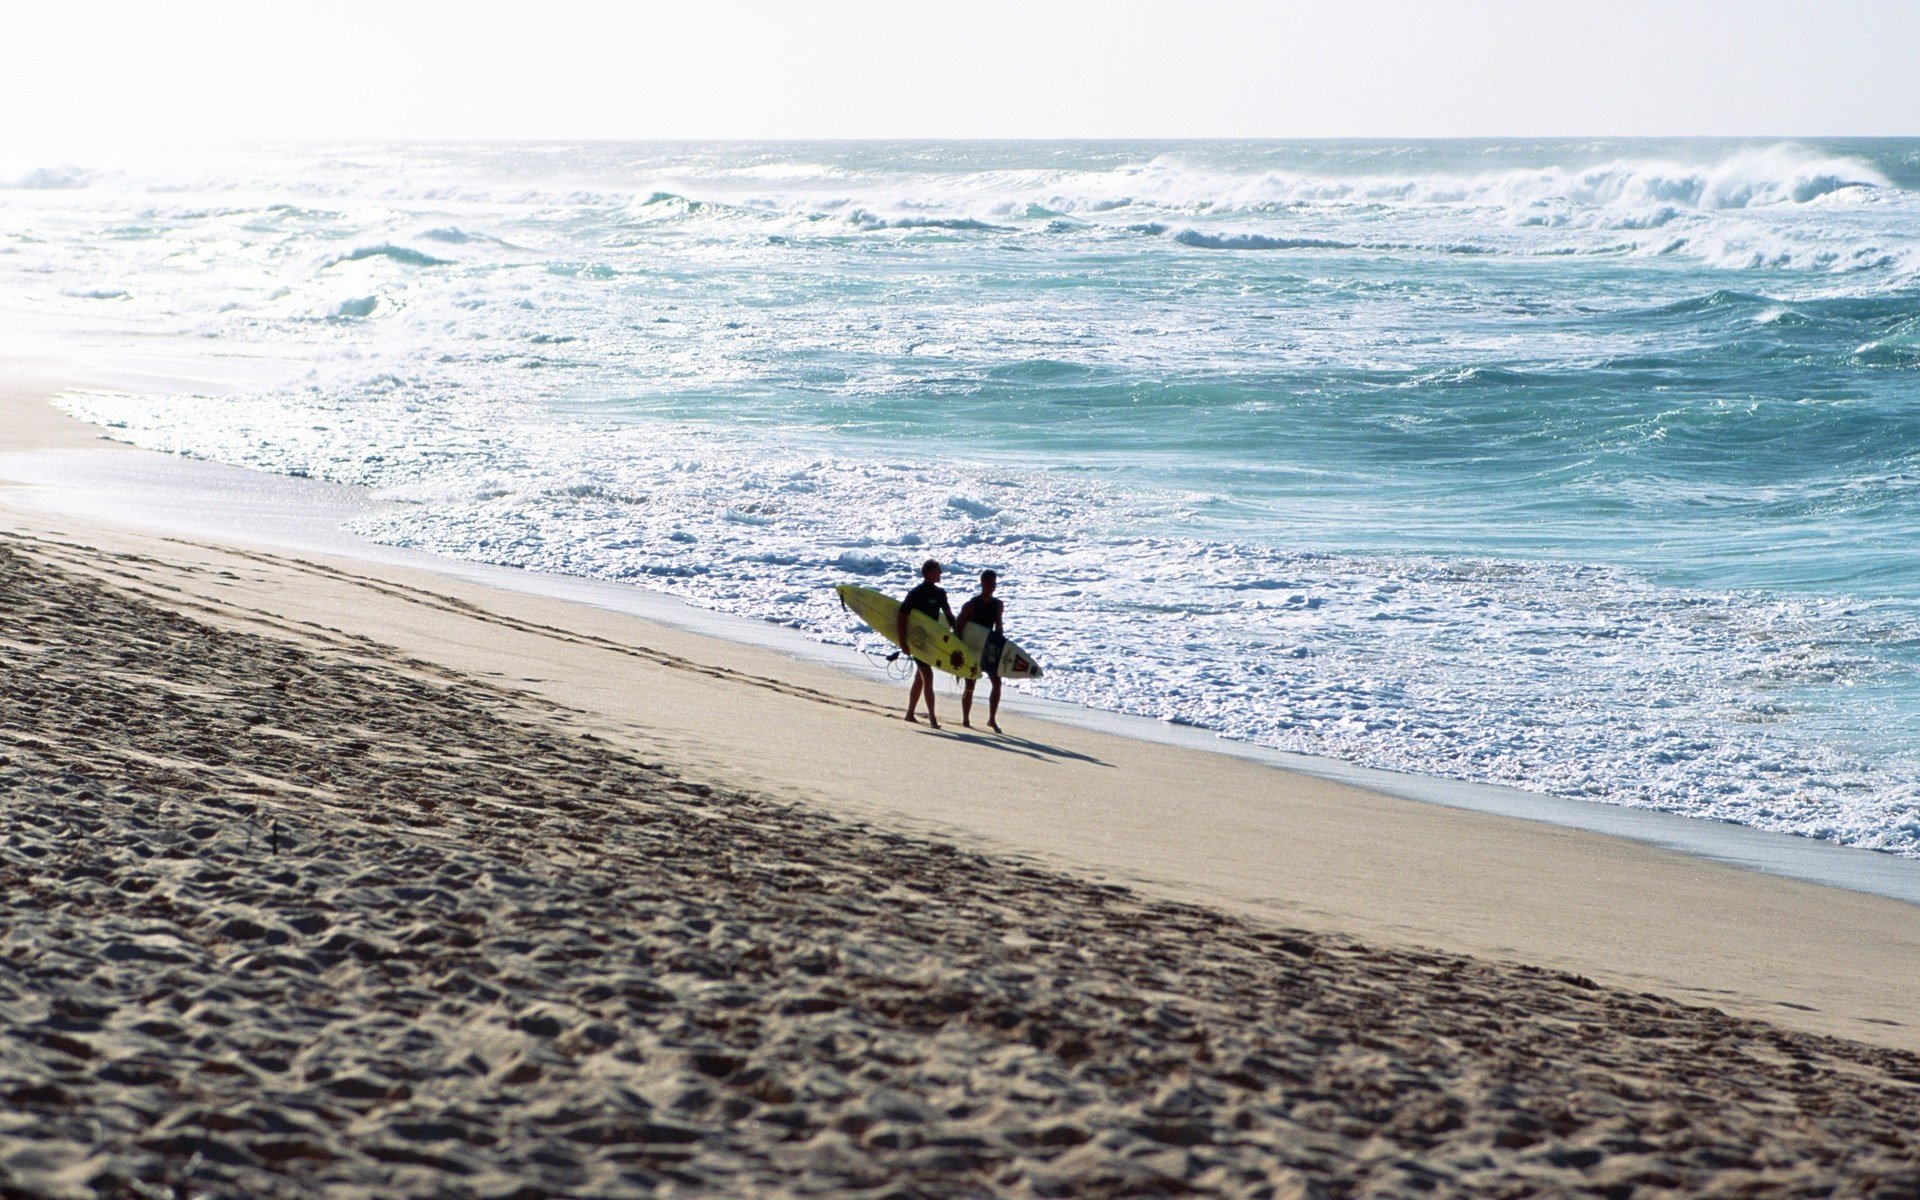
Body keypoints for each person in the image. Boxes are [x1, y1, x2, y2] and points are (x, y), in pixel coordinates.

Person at [896, 559, 956, 728]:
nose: (941, 573)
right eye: (938, 570)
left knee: (920, 677)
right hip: (916, 640)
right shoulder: (916, 593)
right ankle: (932, 719)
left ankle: (909, 714)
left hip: (930, 641)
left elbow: (949, 615)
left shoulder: (940, 593)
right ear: (929, 572)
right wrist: (903, 642)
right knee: (927, 676)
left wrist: (956, 635)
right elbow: (902, 617)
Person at [955, 569, 1006, 732]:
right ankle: (965, 719)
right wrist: (959, 653)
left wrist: (1000, 648)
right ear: (982, 583)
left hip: (989, 648)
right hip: (972, 649)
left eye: (994, 583)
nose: (993, 586)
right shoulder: (970, 606)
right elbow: (959, 629)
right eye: (990, 583)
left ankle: (991, 719)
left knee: (997, 683)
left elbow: (998, 628)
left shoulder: (997, 605)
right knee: (970, 684)